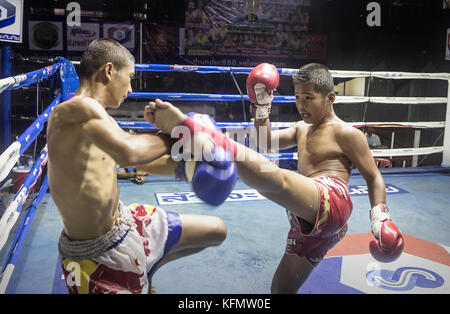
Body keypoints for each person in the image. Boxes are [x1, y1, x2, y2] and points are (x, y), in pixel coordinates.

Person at [145, 62, 405, 294]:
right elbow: (264, 141)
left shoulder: (347, 133)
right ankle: (208, 147)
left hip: (332, 199)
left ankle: (211, 138)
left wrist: (380, 218)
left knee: (273, 178)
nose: (301, 104)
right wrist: (261, 108)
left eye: (309, 97)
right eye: (297, 97)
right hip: (306, 221)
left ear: (330, 98)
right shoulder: (301, 128)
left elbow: (373, 176)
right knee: (280, 289)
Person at [46, 38, 227, 294]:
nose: (130, 88)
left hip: (125, 222)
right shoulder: (76, 109)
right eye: (130, 76)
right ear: (109, 71)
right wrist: (179, 131)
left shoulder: (98, 117)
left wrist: (193, 166)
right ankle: (142, 269)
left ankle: (147, 266)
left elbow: (143, 161)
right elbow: (130, 152)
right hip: (96, 256)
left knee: (216, 230)